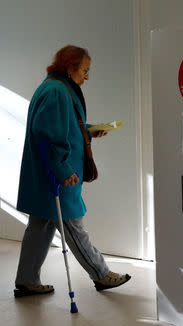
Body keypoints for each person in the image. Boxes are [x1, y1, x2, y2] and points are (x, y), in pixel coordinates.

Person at [14, 45, 131, 297]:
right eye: (84, 70)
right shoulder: (57, 91)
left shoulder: (55, 87)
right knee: (73, 226)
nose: (87, 76)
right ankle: (101, 275)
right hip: (56, 177)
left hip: (46, 175)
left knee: (40, 228)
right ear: (70, 67)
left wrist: (87, 129)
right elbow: (48, 136)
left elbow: (62, 126)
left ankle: (26, 280)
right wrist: (63, 169)